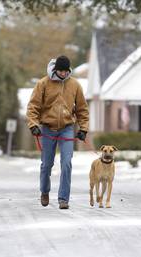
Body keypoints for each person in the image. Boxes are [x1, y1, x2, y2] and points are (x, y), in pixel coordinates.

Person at [26, 55, 89, 209]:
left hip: (67, 128)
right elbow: (33, 106)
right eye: (60, 71)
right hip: (48, 128)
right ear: (55, 70)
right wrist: (33, 124)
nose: (63, 74)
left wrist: (83, 128)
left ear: (69, 70)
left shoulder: (75, 85)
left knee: (66, 163)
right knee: (47, 164)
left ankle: (63, 199)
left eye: (65, 71)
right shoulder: (43, 84)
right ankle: (45, 191)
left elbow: (82, 109)